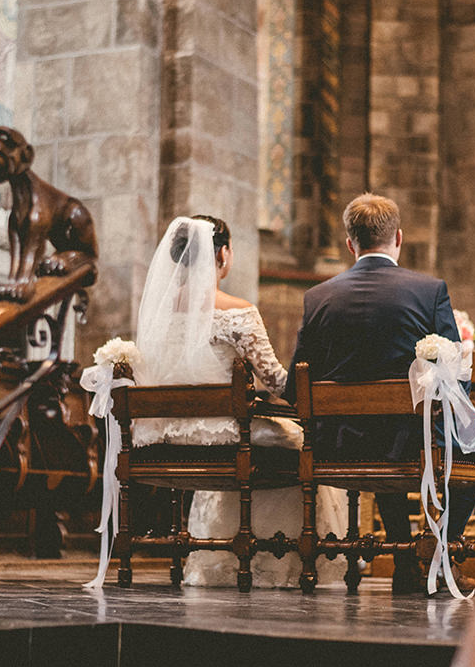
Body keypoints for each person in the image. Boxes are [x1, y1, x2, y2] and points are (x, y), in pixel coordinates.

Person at [133, 215, 347, 588]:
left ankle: (219, 558)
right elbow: (277, 383)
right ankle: (277, 561)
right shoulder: (237, 312)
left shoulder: (157, 313)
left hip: (168, 439)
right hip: (226, 439)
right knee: (301, 445)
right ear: (223, 254)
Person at [287, 193, 475, 594]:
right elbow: (452, 377)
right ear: (398, 238)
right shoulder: (428, 291)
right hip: (409, 442)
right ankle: (438, 552)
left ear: (349, 244)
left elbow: (295, 386)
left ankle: (407, 562)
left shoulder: (317, 297)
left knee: (387, 439)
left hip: (337, 446)